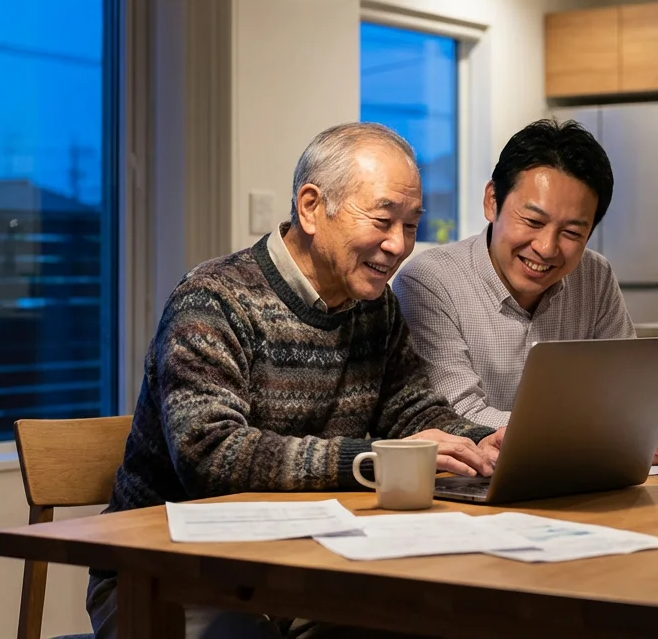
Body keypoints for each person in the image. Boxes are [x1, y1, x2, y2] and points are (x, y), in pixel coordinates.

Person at [87, 122, 503, 639]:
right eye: (383, 220)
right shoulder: (214, 300)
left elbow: (413, 410)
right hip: (169, 572)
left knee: (441, 618)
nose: (399, 246)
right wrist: (370, 458)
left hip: (308, 564)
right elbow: (210, 456)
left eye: (412, 225)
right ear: (311, 207)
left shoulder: (375, 307)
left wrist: (481, 441)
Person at [393, 118, 658, 464]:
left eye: (572, 233)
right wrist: (605, 431)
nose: (547, 248)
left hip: (576, 479)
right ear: (492, 201)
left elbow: (627, 397)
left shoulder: (594, 276)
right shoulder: (429, 281)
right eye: (533, 222)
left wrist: (654, 427)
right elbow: (456, 415)